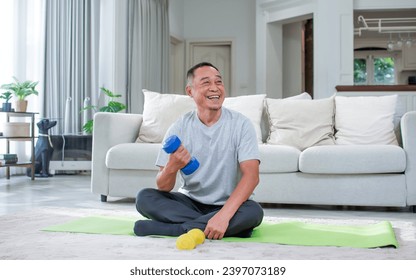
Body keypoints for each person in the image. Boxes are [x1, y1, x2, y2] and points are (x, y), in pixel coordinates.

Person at [134, 62, 263, 239]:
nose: (215, 88)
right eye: (206, 83)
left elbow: (252, 177)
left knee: (253, 212)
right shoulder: (179, 127)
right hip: (189, 202)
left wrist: (224, 215)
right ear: (190, 91)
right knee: (144, 198)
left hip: (229, 204)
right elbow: (163, 186)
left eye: (218, 82)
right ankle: (224, 227)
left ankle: (174, 230)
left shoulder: (241, 124)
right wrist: (172, 166)